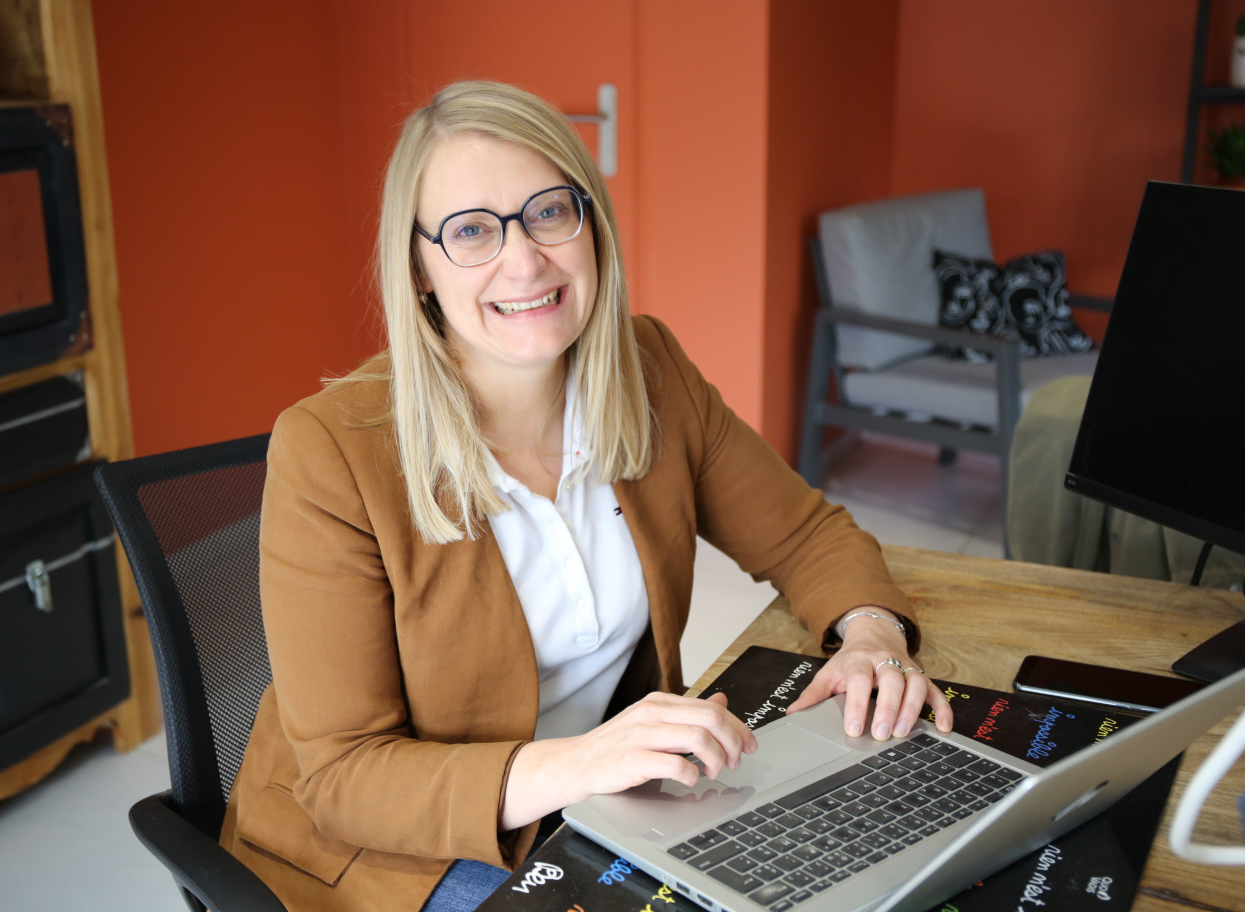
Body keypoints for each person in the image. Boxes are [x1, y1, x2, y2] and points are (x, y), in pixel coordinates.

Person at [218, 80, 953, 912]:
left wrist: (870, 638)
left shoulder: (650, 370)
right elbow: (347, 777)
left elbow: (805, 536)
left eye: (548, 212)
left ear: (591, 227)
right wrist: (584, 760)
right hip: (395, 853)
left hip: (599, 797)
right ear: (420, 268)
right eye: (470, 231)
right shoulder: (329, 452)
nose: (525, 259)